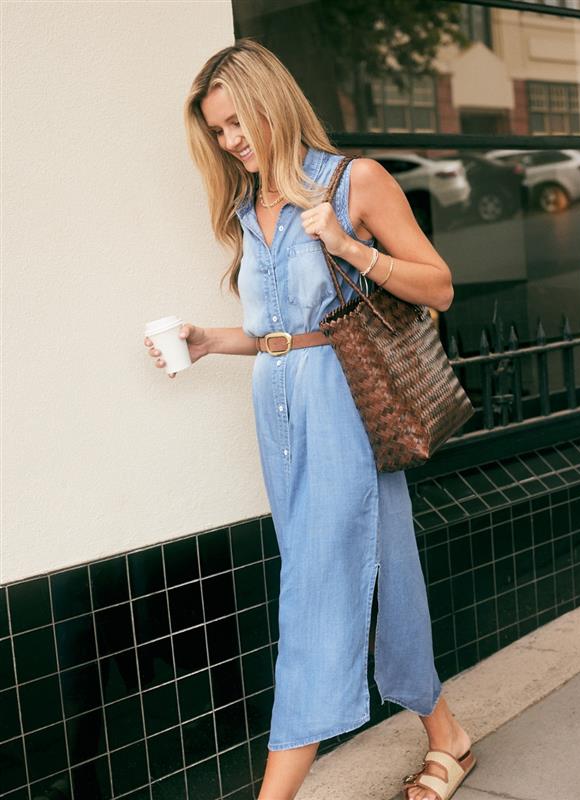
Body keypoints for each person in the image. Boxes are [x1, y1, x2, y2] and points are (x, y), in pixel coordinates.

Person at [143, 37, 476, 800]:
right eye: (218, 133)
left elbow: (439, 288)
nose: (230, 142)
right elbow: (278, 333)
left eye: (236, 124)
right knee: (385, 572)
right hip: (280, 411)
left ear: (269, 103)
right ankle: (447, 737)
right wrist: (206, 340)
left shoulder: (351, 181)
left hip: (343, 409)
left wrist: (344, 245)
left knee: (314, 589)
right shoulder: (245, 204)